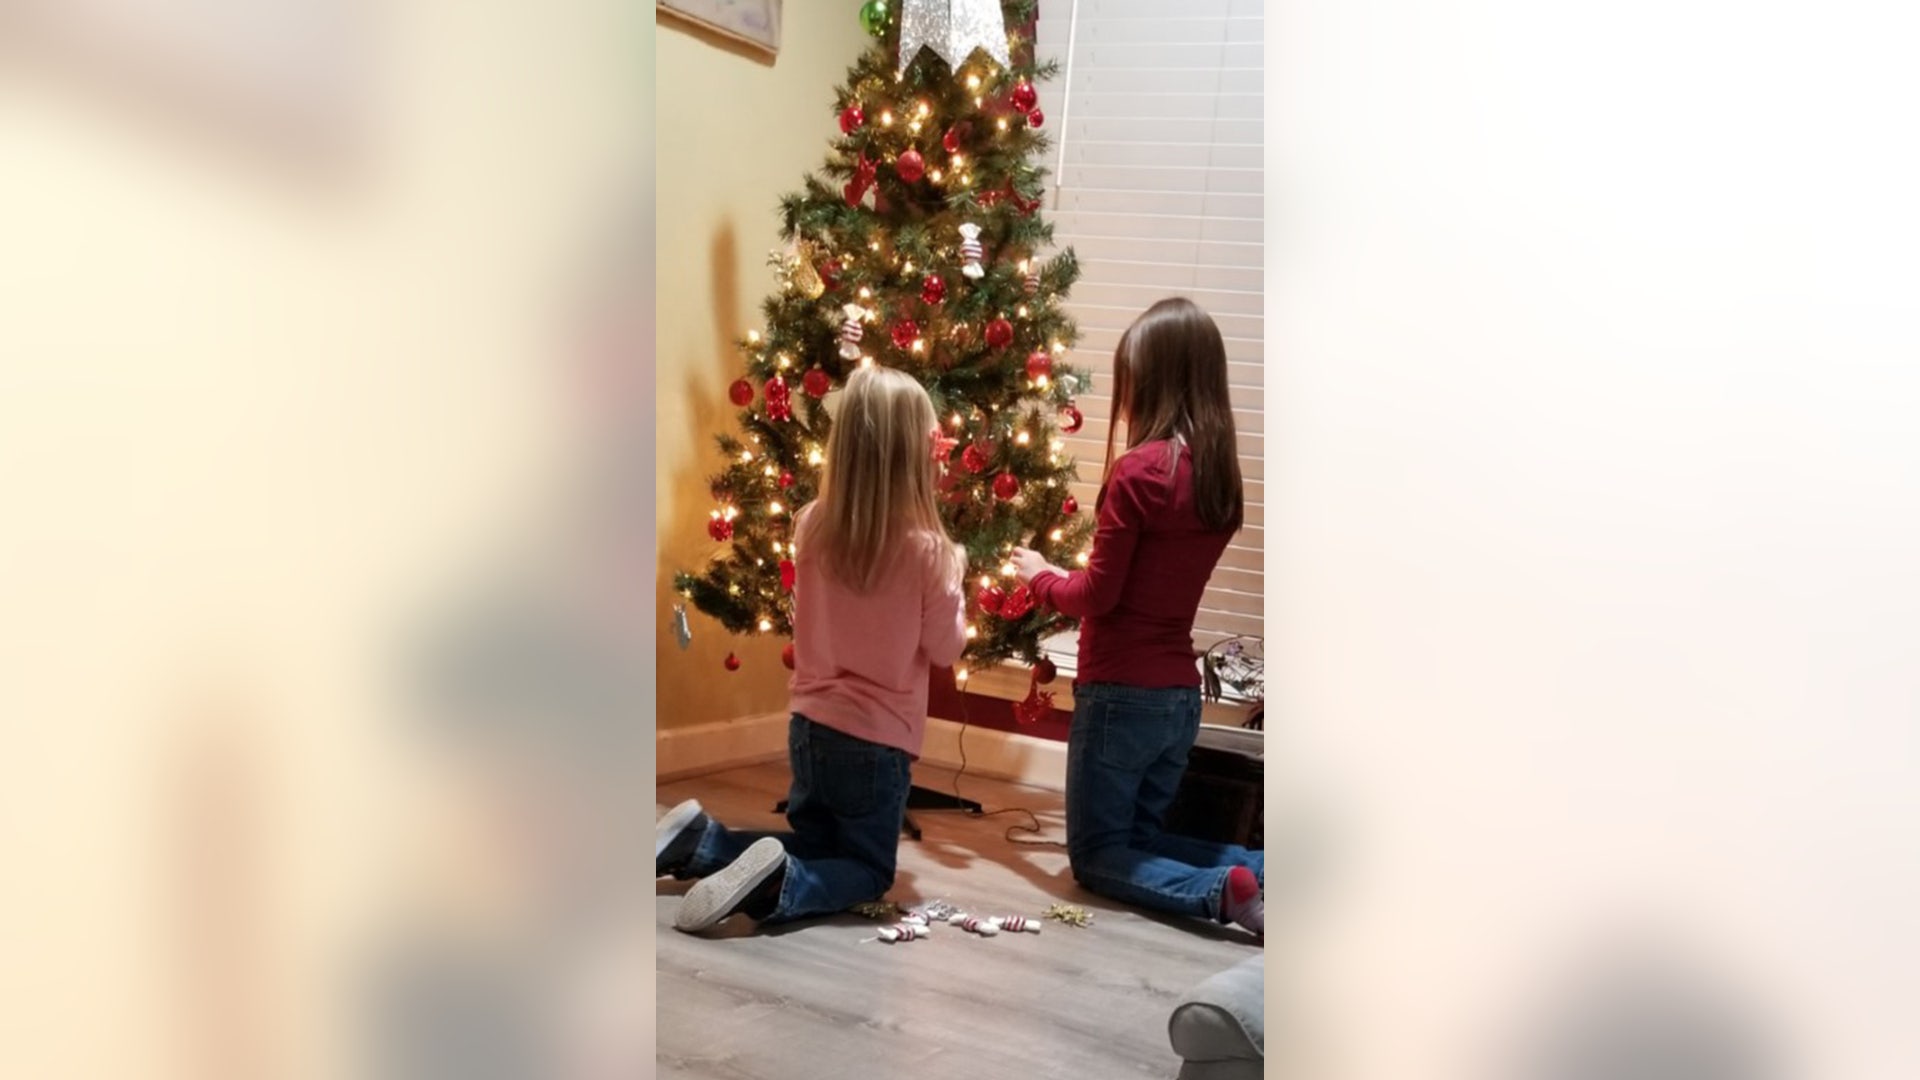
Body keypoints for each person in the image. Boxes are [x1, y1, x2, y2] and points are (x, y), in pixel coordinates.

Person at [656, 365, 968, 932]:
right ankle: (781, 886)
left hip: (808, 727)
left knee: (816, 840)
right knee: (868, 870)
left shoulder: (811, 525)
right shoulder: (929, 552)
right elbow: (946, 648)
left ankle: (702, 842)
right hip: (876, 746)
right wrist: (957, 580)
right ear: (917, 455)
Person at [1012, 297, 1265, 937]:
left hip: (1120, 695)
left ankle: (1220, 893)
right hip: (1179, 697)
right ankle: (1267, 871)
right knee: (1143, 841)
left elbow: (1099, 594)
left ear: (1150, 382)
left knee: (1098, 860)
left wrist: (1040, 576)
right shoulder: (1219, 481)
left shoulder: (1137, 473)